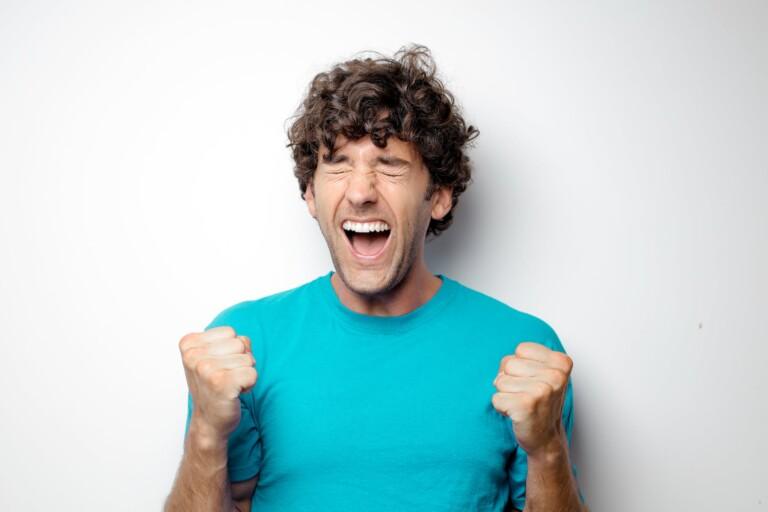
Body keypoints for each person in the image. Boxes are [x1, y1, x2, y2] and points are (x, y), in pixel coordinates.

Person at [164, 43, 587, 512]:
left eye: (391, 166)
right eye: (338, 164)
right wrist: (205, 434)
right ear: (310, 194)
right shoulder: (244, 343)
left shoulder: (524, 350)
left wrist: (547, 450)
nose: (361, 191)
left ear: (440, 196)